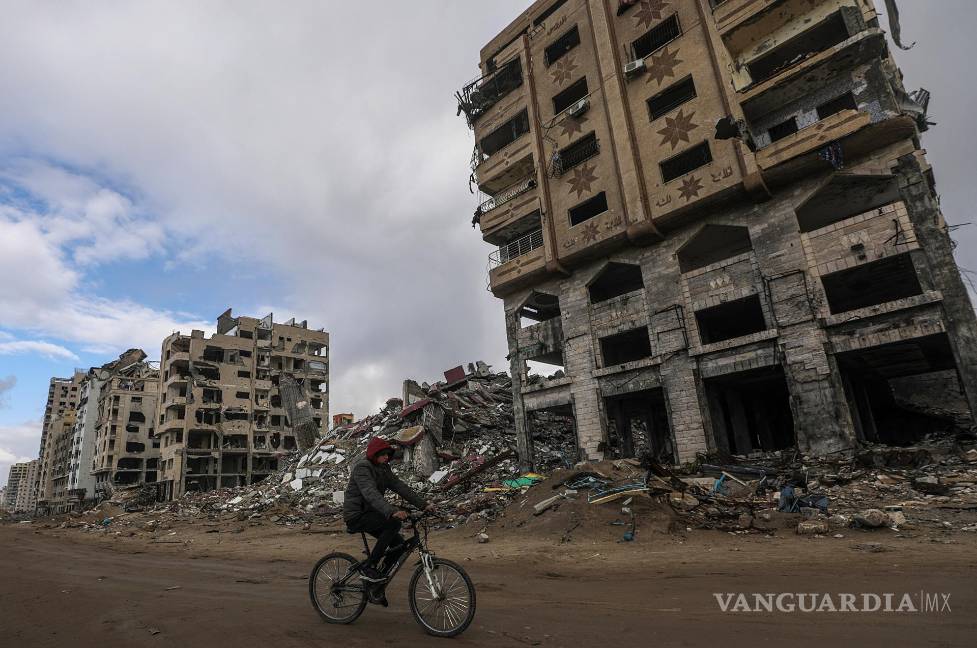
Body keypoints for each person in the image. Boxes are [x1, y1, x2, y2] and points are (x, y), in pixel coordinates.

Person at [343, 437, 433, 588]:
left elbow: (400, 487)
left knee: (399, 544)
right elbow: (370, 493)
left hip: (371, 513)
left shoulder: (384, 469)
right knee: (393, 524)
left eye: (388, 454)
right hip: (356, 515)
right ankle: (370, 567)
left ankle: (378, 582)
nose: (387, 457)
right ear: (374, 453)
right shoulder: (363, 468)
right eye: (383, 454)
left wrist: (423, 505)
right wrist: (391, 511)